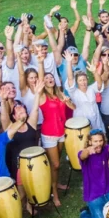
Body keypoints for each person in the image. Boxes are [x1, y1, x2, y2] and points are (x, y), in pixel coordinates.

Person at [36, 60, 74, 205]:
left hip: (61, 132)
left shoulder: (60, 94)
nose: (49, 79)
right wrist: (40, 63)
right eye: (46, 79)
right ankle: (54, 193)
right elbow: (40, 78)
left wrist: (68, 101)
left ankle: (55, 183)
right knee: (56, 164)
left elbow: (72, 107)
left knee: (56, 163)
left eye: (51, 77)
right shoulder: (42, 96)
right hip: (49, 134)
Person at [2, 94, 41, 215]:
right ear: (13, 116)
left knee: (35, 183)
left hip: (35, 160)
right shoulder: (10, 128)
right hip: (19, 163)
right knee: (22, 190)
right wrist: (3, 101)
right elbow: (3, 117)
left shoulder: (31, 123)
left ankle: (31, 204)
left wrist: (38, 93)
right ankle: (22, 206)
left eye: (21, 108)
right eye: (16, 109)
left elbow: (35, 108)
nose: (19, 108)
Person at [63, 50, 105, 131]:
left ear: (87, 79)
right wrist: (69, 63)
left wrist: (95, 72)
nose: (83, 82)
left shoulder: (91, 88)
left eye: (84, 80)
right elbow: (70, 78)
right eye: (80, 80)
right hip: (81, 123)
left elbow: (99, 84)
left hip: (96, 120)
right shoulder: (74, 92)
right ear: (76, 82)